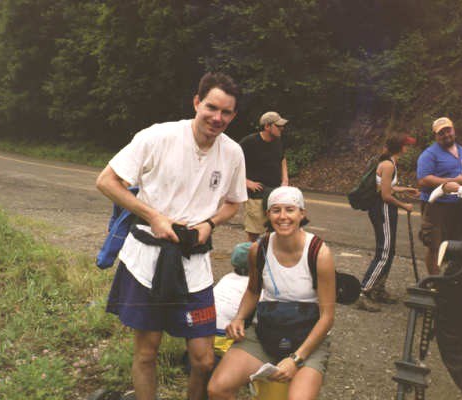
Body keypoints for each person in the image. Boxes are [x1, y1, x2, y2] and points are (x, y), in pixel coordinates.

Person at [95, 72, 248, 400]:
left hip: (195, 263)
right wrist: (153, 216)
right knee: (147, 353)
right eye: (211, 107)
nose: (217, 118)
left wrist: (210, 223)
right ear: (196, 102)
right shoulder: (158, 137)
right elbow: (107, 181)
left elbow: (235, 203)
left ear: (234, 116)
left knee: (204, 359)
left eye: (226, 112)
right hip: (147, 259)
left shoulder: (233, 153)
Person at [208, 186, 335, 400]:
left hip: (307, 338)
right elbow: (253, 290)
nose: (283, 216)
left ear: (302, 213)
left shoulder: (319, 253)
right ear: (268, 215)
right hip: (266, 332)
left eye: (290, 210)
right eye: (276, 210)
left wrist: (296, 359)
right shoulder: (259, 249)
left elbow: (327, 317)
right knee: (218, 389)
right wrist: (239, 318)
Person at [356, 134, 420, 312]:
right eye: (406, 146)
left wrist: (404, 189)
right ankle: (363, 292)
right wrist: (404, 205)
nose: (407, 149)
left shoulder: (388, 162)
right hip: (382, 209)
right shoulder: (388, 165)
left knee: (389, 250)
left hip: (382, 208)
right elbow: (385, 195)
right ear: (401, 147)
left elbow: (385, 187)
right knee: (384, 252)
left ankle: (378, 289)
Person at [417, 117, 462, 275]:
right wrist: (453, 181)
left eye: (448, 130)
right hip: (437, 206)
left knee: (456, 244)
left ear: (453, 130)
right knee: (434, 245)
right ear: (436, 136)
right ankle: (435, 283)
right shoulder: (429, 155)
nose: (446, 135)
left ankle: (451, 281)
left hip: (460, 205)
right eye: (441, 133)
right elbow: (423, 180)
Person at [239, 111, 289, 242]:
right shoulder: (249, 142)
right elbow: (231, 163)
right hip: (256, 194)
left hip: (275, 193)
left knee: (273, 230)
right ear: (267, 126)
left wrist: (285, 180)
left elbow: (282, 159)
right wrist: (245, 181)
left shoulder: (278, 141)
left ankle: (267, 257)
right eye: (278, 126)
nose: (282, 128)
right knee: (254, 232)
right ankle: (252, 259)